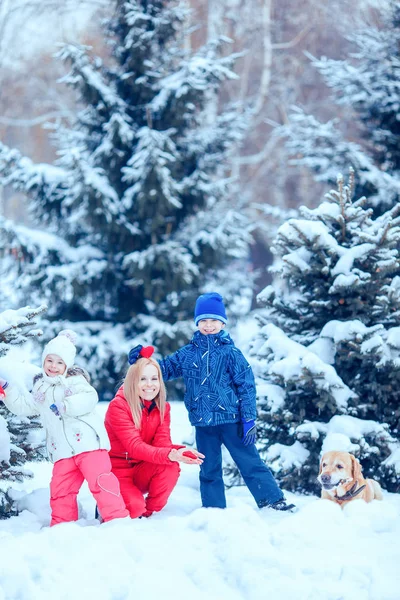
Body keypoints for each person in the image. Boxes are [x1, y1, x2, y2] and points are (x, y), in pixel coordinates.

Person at [150, 292, 296, 512]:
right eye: (204, 321)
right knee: (208, 468)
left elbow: (246, 386)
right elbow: (165, 369)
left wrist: (248, 418)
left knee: (249, 461)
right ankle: (214, 509)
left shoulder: (231, 353)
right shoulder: (188, 354)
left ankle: (272, 500)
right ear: (197, 323)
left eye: (214, 320)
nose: (209, 325)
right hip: (203, 423)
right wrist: (143, 362)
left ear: (222, 322)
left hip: (232, 420)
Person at [0, 330, 129, 526]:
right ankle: (62, 526)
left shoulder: (76, 382)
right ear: (43, 361)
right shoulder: (40, 388)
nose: (53, 366)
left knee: (101, 482)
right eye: (50, 360)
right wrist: (7, 389)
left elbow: (89, 398)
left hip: (89, 445)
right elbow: (25, 407)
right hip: (61, 450)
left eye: (59, 362)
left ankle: (117, 520)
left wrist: (66, 405)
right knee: (61, 490)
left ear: (67, 365)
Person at [104, 346, 204, 519]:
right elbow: (134, 447)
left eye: (154, 378)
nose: (149, 385)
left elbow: (162, 445)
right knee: (133, 509)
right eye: (143, 379)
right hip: (118, 469)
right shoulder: (118, 406)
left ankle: (148, 514)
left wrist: (179, 452)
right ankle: (110, 504)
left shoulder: (162, 408)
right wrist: (170, 453)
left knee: (170, 466)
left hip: (142, 466)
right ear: (132, 381)